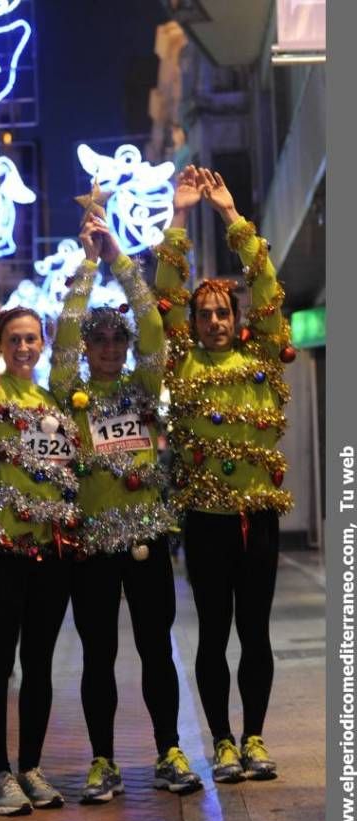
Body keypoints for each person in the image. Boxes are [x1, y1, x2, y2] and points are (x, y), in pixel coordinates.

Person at [49, 217, 202, 802]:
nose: (110, 347)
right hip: (91, 541)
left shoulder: (143, 386)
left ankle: (168, 750)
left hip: (147, 537)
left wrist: (119, 258)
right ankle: (102, 761)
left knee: (156, 648)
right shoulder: (70, 393)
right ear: (87, 349)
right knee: (97, 656)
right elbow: (61, 333)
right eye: (99, 340)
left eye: (118, 339)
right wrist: (88, 266)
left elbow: (155, 328)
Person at [153, 165, 293, 782]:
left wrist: (231, 215)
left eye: (220, 312)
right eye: (203, 313)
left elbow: (265, 283)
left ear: (236, 318)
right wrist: (180, 216)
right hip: (205, 524)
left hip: (257, 518)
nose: (212, 320)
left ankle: (256, 737)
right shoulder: (180, 363)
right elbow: (163, 296)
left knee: (255, 633)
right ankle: (222, 741)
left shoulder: (262, 355)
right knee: (212, 635)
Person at [0, 198, 79, 816]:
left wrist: (92, 252)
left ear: (43, 341)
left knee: (38, 664)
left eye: (33, 338)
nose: (25, 346)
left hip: (50, 553)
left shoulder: (58, 397)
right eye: (15, 339)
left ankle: (31, 766)